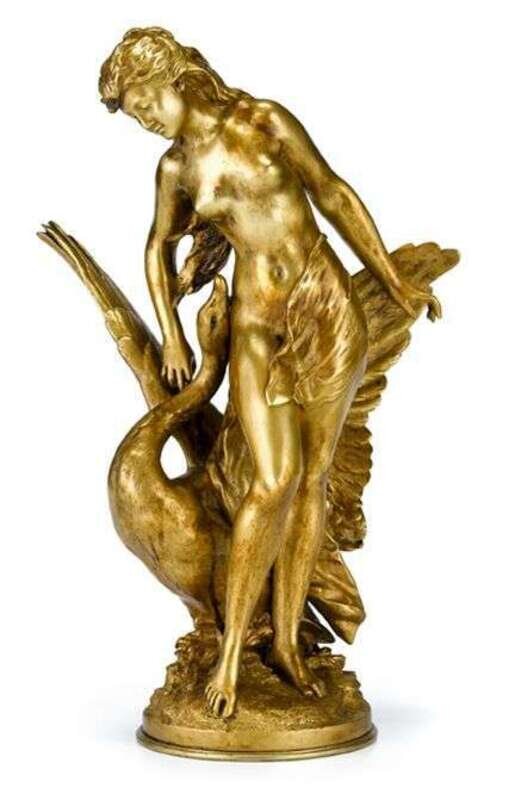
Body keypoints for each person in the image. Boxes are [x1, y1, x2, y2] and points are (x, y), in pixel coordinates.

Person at [99, 27, 440, 718]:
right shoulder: (175, 169)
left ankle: (284, 643)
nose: (147, 120)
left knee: (312, 479)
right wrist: (172, 334)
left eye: (146, 103)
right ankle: (230, 654)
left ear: (173, 76)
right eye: (136, 115)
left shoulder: (263, 121)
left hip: (325, 307)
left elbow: (333, 194)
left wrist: (391, 281)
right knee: (272, 481)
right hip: (256, 323)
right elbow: (157, 248)